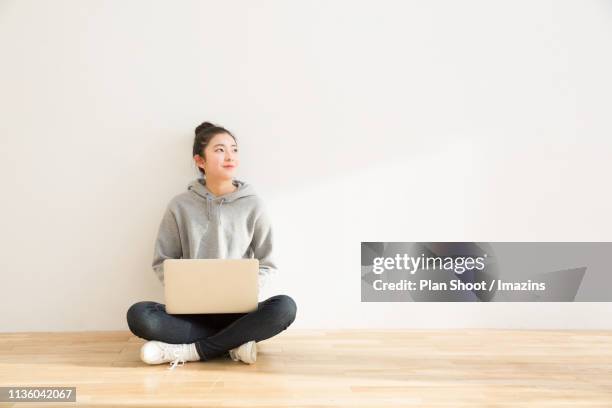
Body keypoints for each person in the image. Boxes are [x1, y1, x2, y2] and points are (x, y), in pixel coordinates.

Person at [126, 121, 297, 369]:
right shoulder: (179, 206)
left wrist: (247, 289)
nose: (230, 156)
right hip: (191, 314)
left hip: (240, 313)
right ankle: (234, 344)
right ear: (200, 161)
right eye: (220, 150)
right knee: (139, 315)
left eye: (234, 149)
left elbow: (267, 263)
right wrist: (184, 289)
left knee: (284, 307)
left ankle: (191, 350)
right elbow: (163, 260)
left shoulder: (253, 205)